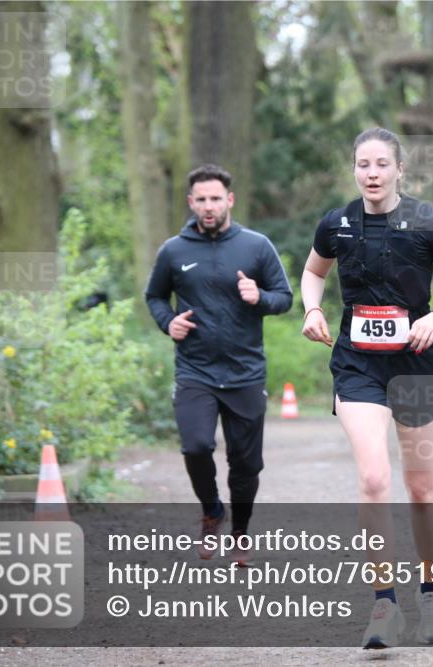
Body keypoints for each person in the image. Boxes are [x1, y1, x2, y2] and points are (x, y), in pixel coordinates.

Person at [300, 128, 433, 648]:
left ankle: (432, 596)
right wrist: (312, 308)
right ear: (354, 169)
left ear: (399, 169)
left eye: (382, 164)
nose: (372, 173)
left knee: (422, 487)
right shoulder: (335, 224)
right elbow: (313, 272)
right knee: (375, 479)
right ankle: (384, 605)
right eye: (363, 164)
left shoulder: (426, 221)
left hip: (417, 364)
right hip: (358, 364)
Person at [145, 164, 292, 567]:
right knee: (195, 446)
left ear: (229, 200)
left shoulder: (257, 246)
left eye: (215, 199)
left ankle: (241, 533)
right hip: (195, 370)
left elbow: (284, 297)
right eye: (201, 200)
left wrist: (258, 296)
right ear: (191, 203)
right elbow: (155, 296)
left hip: (245, 372)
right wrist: (167, 322)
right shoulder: (173, 250)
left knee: (245, 464)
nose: (208, 207)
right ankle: (212, 510)